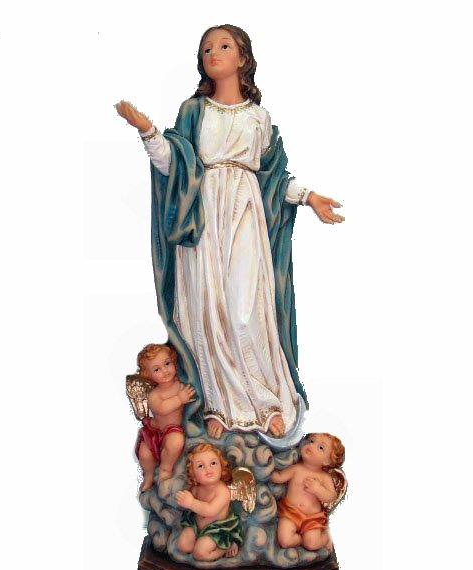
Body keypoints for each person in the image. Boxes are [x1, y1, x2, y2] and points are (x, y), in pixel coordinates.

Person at [116, 24, 344, 443]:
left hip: (244, 214)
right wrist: (146, 130)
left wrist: (309, 197)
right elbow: (173, 166)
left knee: (245, 310)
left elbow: (272, 179)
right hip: (203, 217)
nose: (214, 53)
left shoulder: (259, 118)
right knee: (206, 310)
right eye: (206, 48)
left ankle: (267, 404)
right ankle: (219, 406)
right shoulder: (193, 111)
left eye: (224, 46)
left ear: (243, 58)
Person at [270, 432, 345, 551]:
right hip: (290, 513)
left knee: (311, 544)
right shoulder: (296, 468)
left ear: (327, 461)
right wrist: (266, 471)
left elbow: (331, 497)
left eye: (321, 447)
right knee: (284, 540)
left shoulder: (324, 477)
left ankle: (325, 537)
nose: (311, 446)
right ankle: (299, 540)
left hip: (312, 519)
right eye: (311, 441)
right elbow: (278, 477)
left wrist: (318, 489)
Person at [134, 343, 195, 489]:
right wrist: (179, 399)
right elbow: (162, 408)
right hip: (154, 432)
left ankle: (165, 469)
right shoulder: (154, 395)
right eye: (157, 369)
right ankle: (148, 475)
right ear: (148, 375)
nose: (165, 370)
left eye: (167, 363)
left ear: (173, 362)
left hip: (172, 430)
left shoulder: (181, 386)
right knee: (144, 454)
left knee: (176, 442)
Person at [175, 443, 243, 561]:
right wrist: (182, 498)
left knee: (199, 554)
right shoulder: (197, 488)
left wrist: (191, 503)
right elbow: (189, 501)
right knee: (183, 546)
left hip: (217, 530)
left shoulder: (223, 492)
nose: (208, 469)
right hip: (196, 525)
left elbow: (210, 510)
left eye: (213, 463)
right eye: (201, 466)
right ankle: (200, 541)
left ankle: (224, 548)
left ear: (222, 466)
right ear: (193, 474)